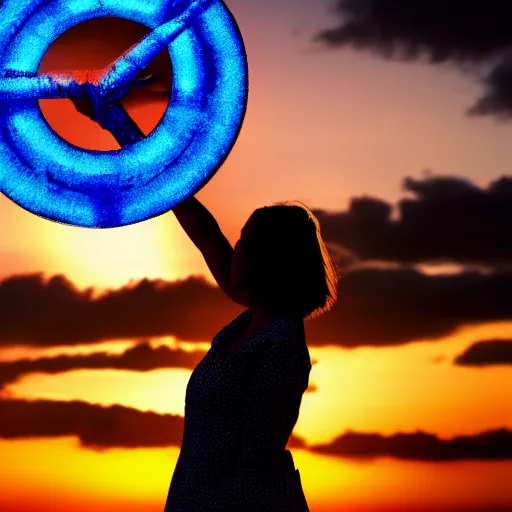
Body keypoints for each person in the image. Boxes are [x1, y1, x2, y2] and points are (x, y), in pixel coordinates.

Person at [69, 89, 340, 511]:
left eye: (244, 245)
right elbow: (197, 221)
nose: (232, 249)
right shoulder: (250, 320)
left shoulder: (281, 345)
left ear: (268, 262)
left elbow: (252, 461)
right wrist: (112, 118)